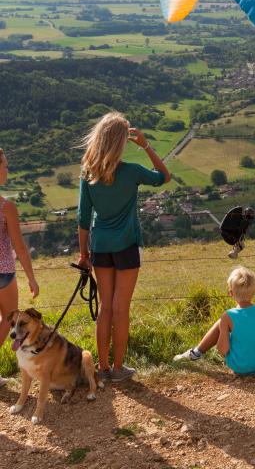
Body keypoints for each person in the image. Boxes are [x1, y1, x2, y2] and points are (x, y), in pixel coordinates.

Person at [77, 112, 170, 382]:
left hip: (100, 247)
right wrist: (146, 145)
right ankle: (119, 369)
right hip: (127, 245)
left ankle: (103, 368)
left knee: (105, 307)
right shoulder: (132, 171)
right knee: (121, 308)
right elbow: (164, 177)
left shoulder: (88, 173)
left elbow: (83, 219)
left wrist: (84, 254)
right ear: (122, 142)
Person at [173, 266, 255, 375]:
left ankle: (195, 353)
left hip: (241, 367)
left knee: (226, 326)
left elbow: (223, 350)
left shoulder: (227, 316)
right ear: (254, 291)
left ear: (231, 293)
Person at [0, 148, 39, 385]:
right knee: (10, 321)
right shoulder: (6, 207)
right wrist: (32, 279)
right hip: (3, 272)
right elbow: (20, 248)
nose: (7, 169)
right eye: (4, 164)